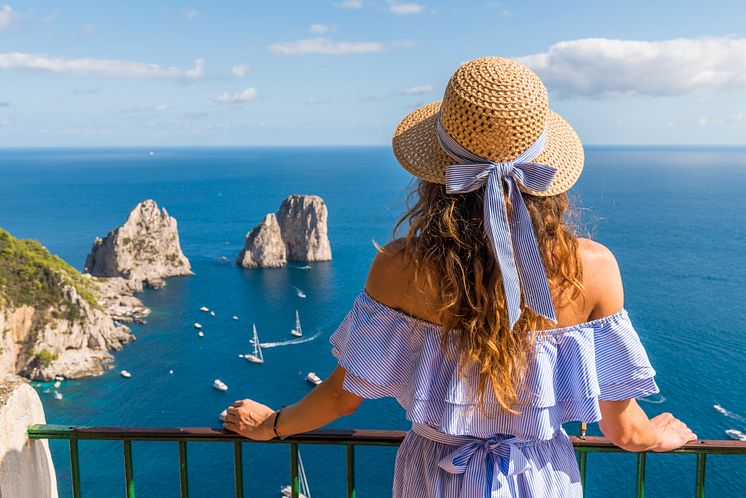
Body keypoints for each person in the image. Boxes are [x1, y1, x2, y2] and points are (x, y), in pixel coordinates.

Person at [222, 57, 696, 497]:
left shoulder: (398, 267)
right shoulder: (591, 270)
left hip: (433, 478)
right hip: (539, 480)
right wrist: (660, 436)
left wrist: (273, 424)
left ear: (436, 175)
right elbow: (624, 431)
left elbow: (343, 398)